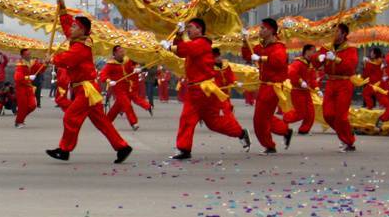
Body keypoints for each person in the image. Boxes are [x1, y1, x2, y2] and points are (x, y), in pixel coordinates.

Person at [46, 0, 132, 163]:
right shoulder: (77, 40)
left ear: (82, 30)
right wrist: (63, 9)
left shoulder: (81, 47)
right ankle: (122, 147)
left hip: (85, 90)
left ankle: (64, 150)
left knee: (70, 117)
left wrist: (52, 59)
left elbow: (67, 59)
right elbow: (65, 26)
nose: (70, 28)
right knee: (101, 121)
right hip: (85, 88)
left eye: (74, 26)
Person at [163, 18, 250, 160]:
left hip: (203, 90)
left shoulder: (202, 43)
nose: (188, 30)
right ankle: (185, 149)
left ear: (199, 29)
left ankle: (240, 133)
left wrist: (169, 47)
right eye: (187, 27)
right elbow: (181, 52)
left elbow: (185, 49)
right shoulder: (196, 43)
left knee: (203, 121)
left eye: (190, 27)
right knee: (199, 121)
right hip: (196, 90)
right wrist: (178, 36)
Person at [240, 18, 292, 154]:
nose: (260, 30)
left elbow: (279, 61)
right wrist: (245, 42)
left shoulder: (279, 47)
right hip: (264, 86)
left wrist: (262, 59)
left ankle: (269, 145)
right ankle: (285, 131)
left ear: (272, 31)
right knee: (266, 117)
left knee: (260, 119)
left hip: (273, 87)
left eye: (263, 28)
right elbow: (247, 55)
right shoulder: (262, 47)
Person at [313, 24, 359, 152]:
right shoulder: (327, 47)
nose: (333, 33)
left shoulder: (350, 48)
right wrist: (319, 57)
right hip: (331, 82)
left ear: (344, 34)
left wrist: (336, 59)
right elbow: (314, 62)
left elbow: (350, 67)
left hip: (344, 83)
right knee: (327, 114)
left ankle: (349, 142)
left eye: (336, 31)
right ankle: (346, 134)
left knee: (341, 116)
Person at [100, 46, 142, 130]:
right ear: (115, 53)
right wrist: (109, 81)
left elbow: (131, 68)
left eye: (123, 51)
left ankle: (106, 121)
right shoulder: (110, 64)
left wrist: (136, 69)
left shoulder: (127, 60)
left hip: (127, 87)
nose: (123, 53)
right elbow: (103, 74)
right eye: (120, 52)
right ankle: (133, 123)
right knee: (127, 104)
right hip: (118, 88)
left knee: (117, 107)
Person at [282, 44, 318, 136]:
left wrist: (317, 89)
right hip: (297, 91)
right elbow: (291, 72)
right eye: (313, 51)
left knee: (311, 113)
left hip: (306, 91)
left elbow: (313, 78)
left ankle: (304, 130)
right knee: (300, 113)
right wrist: (300, 81)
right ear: (307, 51)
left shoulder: (310, 64)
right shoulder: (298, 62)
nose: (315, 53)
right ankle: (284, 119)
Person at [13, 49, 44, 128]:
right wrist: (28, 77)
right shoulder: (20, 65)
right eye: (27, 54)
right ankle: (19, 122)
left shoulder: (32, 63)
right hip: (21, 88)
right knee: (22, 106)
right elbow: (17, 78)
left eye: (29, 54)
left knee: (33, 105)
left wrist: (46, 63)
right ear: (23, 55)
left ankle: (20, 119)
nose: (29, 55)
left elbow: (41, 69)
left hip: (29, 87)